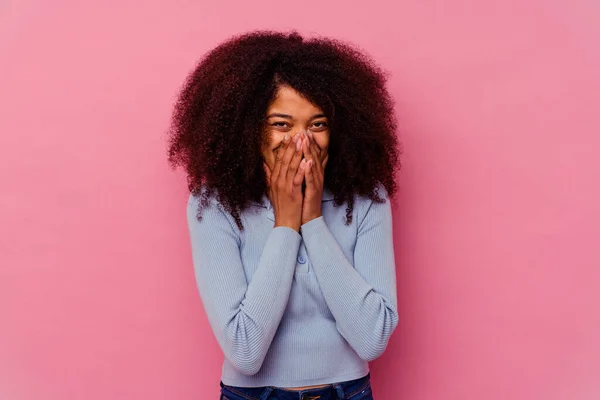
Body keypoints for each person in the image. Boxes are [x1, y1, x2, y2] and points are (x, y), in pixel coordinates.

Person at [167, 30, 401, 400]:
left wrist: (312, 221)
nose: (301, 142)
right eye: (281, 124)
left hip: (349, 392)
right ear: (249, 129)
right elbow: (245, 350)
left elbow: (372, 339)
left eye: (317, 124)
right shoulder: (213, 205)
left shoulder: (367, 199)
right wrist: (286, 224)